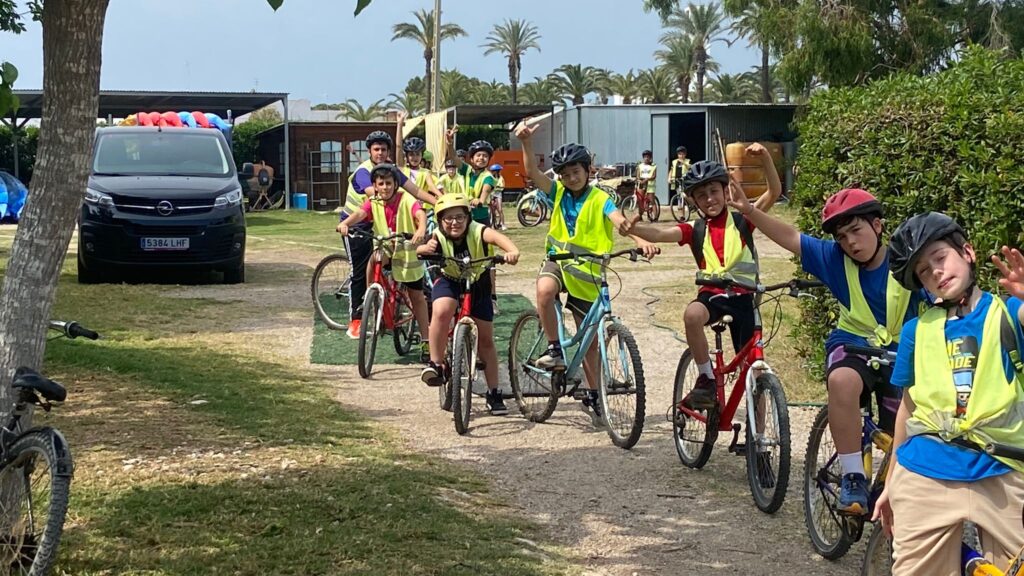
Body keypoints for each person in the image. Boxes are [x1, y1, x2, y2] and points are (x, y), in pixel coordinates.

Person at [725, 185, 922, 514]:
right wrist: (750, 211)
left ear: (877, 226)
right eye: (842, 237)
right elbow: (791, 237)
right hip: (853, 345)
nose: (851, 243)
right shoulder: (835, 259)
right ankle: (852, 476)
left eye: (856, 231)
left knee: (901, 435)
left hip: (900, 354)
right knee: (842, 381)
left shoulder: (907, 260)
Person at [872, 212, 1024, 575]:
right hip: (926, 472)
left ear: (968, 252)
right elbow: (908, 407)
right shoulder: (916, 330)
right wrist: (891, 481)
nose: (936, 272)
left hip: (1003, 471)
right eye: (924, 271)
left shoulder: (1008, 312)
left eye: (940, 258)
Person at [514, 119, 658, 420]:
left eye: (576, 172)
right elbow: (532, 173)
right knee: (544, 290)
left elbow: (619, 222)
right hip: (559, 261)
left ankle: (593, 395)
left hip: (589, 273)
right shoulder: (557, 192)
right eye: (565, 174)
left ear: (588, 170)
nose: (571, 178)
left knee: (590, 342)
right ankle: (554, 349)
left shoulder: (600, 198)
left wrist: (640, 240)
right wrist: (526, 142)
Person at [622, 145, 782, 412]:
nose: (709, 199)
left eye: (714, 191)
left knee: (754, 370)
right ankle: (706, 377)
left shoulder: (744, 219)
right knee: (692, 315)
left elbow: (774, 192)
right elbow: (661, 234)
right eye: (701, 195)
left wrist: (765, 158)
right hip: (712, 297)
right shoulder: (694, 229)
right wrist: (633, 228)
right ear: (694, 201)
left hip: (745, 298)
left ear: (725, 191)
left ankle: (760, 434)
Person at [417, 192, 521, 415]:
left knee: (486, 340)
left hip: (478, 282)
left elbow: (498, 239)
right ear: (440, 220)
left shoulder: (478, 230)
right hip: (450, 279)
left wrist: (511, 251)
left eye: (459, 217)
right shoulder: (436, 235)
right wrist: (423, 250)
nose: (454, 222)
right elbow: (421, 249)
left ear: (468, 218)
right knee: (441, 311)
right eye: (448, 218)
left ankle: (494, 392)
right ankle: (436, 364)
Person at [340, 124, 436, 340]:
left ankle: (418, 331)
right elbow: (371, 199)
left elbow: (415, 191)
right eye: (376, 149)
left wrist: (439, 203)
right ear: (369, 151)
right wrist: (346, 223)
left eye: (384, 149)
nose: (380, 153)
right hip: (357, 224)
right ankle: (359, 315)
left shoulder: (391, 173)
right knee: (360, 269)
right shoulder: (365, 172)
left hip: (386, 227)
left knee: (396, 270)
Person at [337, 163, 431, 362]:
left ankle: (426, 340)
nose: (385, 187)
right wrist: (345, 223)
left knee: (417, 297)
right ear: (375, 186)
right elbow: (360, 213)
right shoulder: (374, 201)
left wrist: (421, 229)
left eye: (389, 183)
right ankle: (371, 295)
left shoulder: (406, 199)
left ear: (396, 184)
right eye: (381, 184)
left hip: (407, 251)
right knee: (374, 258)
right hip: (387, 246)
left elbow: (420, 213)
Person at [396, 136, 441, 213]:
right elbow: (398, 147)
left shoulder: (426, 172)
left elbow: (432, 186)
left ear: (421, 155)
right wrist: (399, 128)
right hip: (402, 208)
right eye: (411, 154)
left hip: (418, 208)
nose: (415, 157)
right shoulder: (402, 170)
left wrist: (442, 197)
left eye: (417, 154)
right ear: (406, 156)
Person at [488, 163, 506, 231]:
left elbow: (503, 186)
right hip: (491, 194)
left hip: (498, 194)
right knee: (492, 211)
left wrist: (498, 187)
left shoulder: (501, 178)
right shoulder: (490, 178)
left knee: (500, 210)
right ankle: (493, 225)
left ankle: (503, 224)